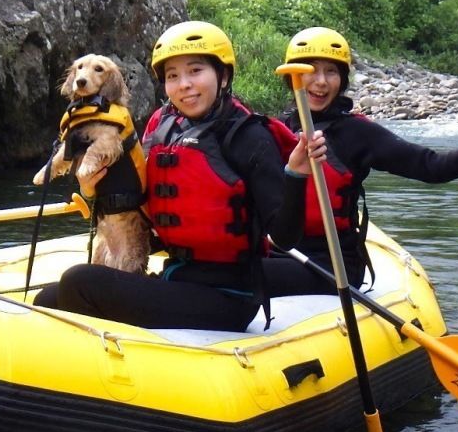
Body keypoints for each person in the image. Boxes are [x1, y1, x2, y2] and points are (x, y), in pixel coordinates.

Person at [33, 21, 325, 331]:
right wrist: (90, 191)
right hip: (177, 275)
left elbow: (284, 236)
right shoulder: (162, 127)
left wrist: (295, 174)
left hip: (228, 297)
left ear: (223, 75)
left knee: (80, 282)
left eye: (195, 71)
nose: (184, 84)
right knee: (47, 299)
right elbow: (136, 195)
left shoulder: (248, 136)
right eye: (173, 76)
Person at [264, 26, 458, 296]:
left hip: (332, 265)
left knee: (246, 277)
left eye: (332, 71)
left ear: (342, 80)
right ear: (291, 77)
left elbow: (434, 168)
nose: (321, 81)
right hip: (278, 251)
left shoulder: (357, 133)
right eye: (310, 69)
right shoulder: (274, 129)